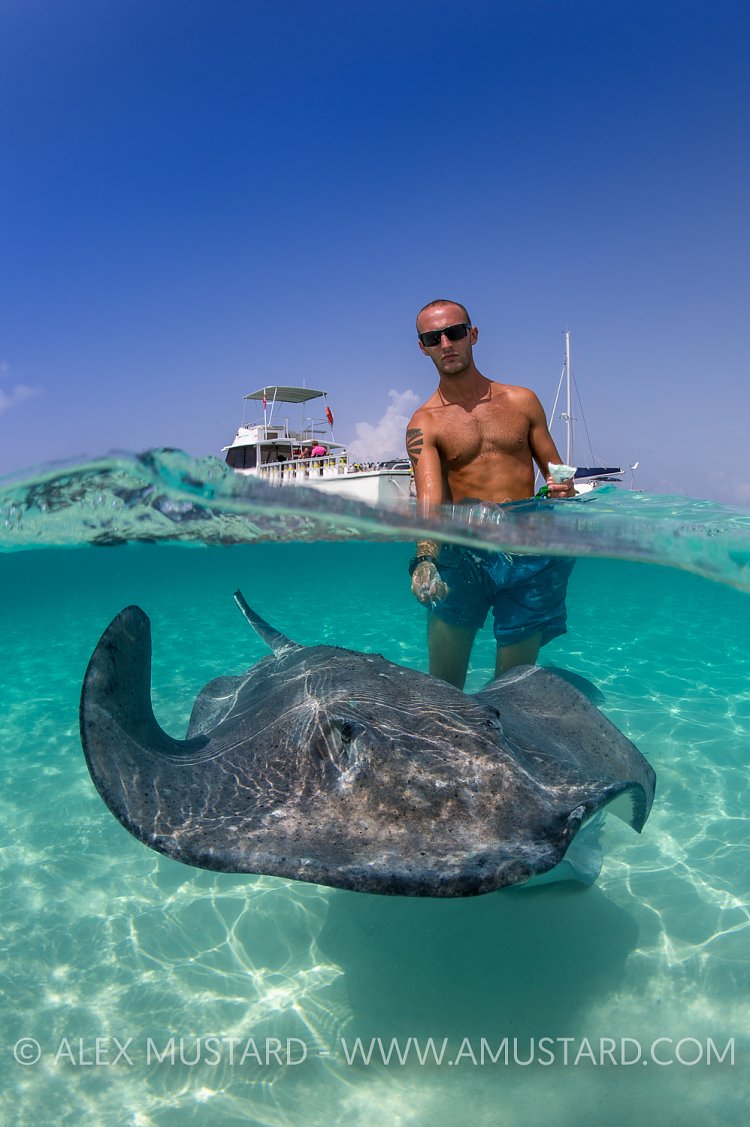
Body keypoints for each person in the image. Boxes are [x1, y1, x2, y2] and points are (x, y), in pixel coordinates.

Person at [406, 298, 576, 690]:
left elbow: (556, 470)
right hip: (463, 552)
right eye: (433, 338)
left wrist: (563, 488)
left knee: (510, 689)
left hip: (527, 552)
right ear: (423, 348)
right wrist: (425, 559)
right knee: (444, 689)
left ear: (473, 335)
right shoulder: (425, 423)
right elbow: (430, 502)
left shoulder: (522, 401)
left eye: (455, 332)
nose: (446, 343)